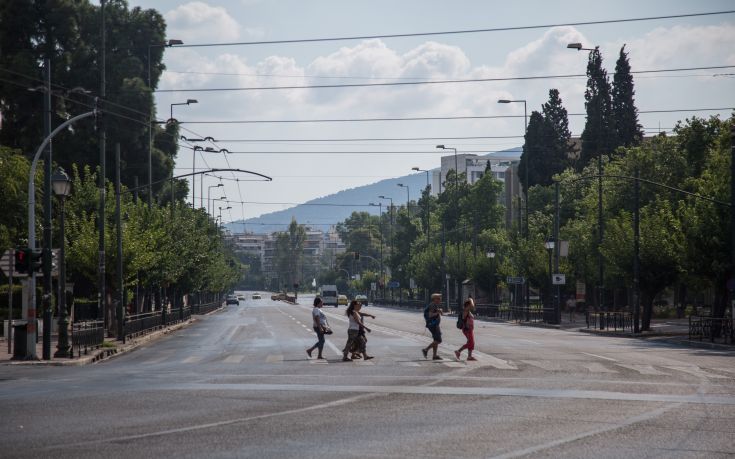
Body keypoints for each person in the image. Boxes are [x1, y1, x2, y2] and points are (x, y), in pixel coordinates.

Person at [422, 293, 444, 360]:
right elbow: (430, 315)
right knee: (438, 340)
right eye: (438, 298)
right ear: (434, 299)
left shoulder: (434, 305)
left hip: (434, 324)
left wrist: (439, 311)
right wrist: (438, 312)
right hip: (433, 325)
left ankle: (434, 356)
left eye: (440, 298)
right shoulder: (432, 305)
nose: (440, 300)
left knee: (435, 340)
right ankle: (426, 350)